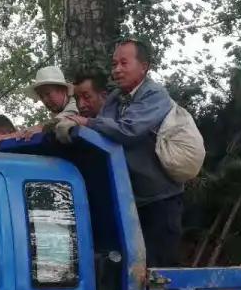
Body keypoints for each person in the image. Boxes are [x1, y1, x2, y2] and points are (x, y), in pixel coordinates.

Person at [68, 39, 182, 266]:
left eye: (123, 63)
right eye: (114, 64)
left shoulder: (154, 95)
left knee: (158, 270)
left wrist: (86, 123)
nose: (117, 70)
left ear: (144, 66)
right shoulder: (115, 98)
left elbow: (128, 130)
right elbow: (102, 131)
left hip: (159, 199)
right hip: (131, 197)